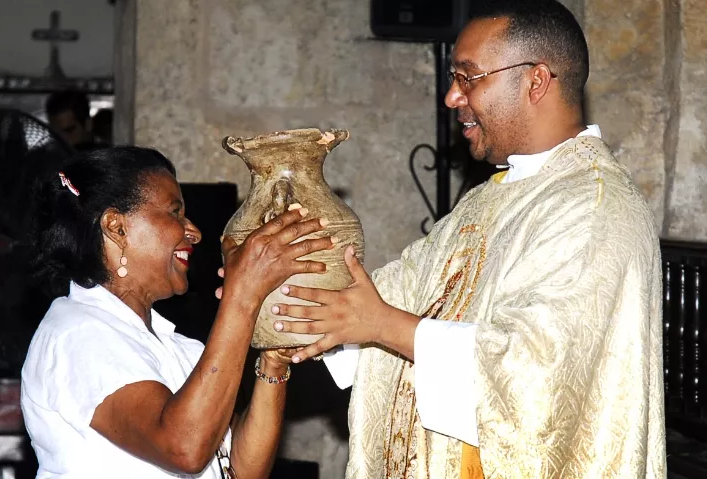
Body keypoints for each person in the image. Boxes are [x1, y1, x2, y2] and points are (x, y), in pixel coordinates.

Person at [269, 0, 666, 477]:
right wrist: (276, 291)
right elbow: (387, 297)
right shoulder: (486, 201)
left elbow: (536, 376)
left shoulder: (598, 208)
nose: (452, 98)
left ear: (535, 80)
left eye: (468, 77)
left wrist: (382, 325)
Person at [22, 146, 334, 478]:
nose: (194, 233)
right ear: (116, 227)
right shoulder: (77, 333)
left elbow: (241, 471)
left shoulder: (181, 348)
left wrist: (273, 361)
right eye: (175, 212)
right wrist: (242, 296)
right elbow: (184, 448)